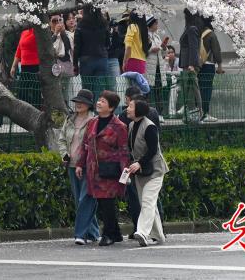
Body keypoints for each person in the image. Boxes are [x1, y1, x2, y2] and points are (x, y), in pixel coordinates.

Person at [77, 90, 128, 246]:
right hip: (94, 170)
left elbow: (124, 151)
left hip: (111, 170)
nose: (99, 103)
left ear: (111, 108)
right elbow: (85, 145)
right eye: (99, 100)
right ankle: (116, 233)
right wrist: (80, 164)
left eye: (103, 101)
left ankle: (108, 234)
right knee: (101, 201)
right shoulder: (92, 122)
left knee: (107, 203)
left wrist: (125, 175)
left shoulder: (119, 126)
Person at [126, 97, 167, 247]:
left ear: (138, 110)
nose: (127, 108)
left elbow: (153, 150)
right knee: (149, 204)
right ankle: (159, 236)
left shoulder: (150, 127)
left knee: (147, 201)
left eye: (130, 106)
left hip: (155, 171)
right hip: (141, 172)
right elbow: (131, 149)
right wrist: (130, 164)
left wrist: (139, 163)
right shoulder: (131, 125)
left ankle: (142, 232)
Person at [63, 90, 100, 245]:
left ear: (89, 105)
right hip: (71, 165)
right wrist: (64, 154)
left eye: (82, 102)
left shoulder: (94, 121)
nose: (78, 104)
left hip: (88, 165)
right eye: (77, 101)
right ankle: (94, 233)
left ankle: (80, 234)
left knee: (84, 198)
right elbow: (61, 139)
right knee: (80, 201)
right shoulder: (69, 119)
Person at [74, 6, 111, 93]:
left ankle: (88, 106)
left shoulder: (81, 25)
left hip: (86, 59)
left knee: (87, 89)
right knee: (99, 89)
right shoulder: (104, 24)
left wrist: (75, 63)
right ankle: (97, 106)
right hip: (102, 58)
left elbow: (77, 46)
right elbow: (108, 43)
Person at [177, 24, 204, 122]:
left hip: (190, 65)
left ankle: (199, 113)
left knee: (194, 89)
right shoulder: (188, 28)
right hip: (187, 64)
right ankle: (190, 114)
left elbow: (193, 46)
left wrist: (192, 64)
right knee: (188, 90)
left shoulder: (192, 28)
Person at [198, 23, 224, 122]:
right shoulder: (210, 34)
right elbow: (216, 50)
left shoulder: (198, 33)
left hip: (199, 65)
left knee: (199, 89)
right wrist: (220, 66)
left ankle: (199, 113)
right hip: (208, 65)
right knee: (207, 89)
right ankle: (205, 113)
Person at [11, 25, 41, 108]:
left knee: (36, 93)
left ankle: (36, 112)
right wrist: (14, 66)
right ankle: (26, 111)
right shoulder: (24, 32)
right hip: (24, 67)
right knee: (22, 92)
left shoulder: (38, 31)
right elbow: (19, 50)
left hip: (35, 66)